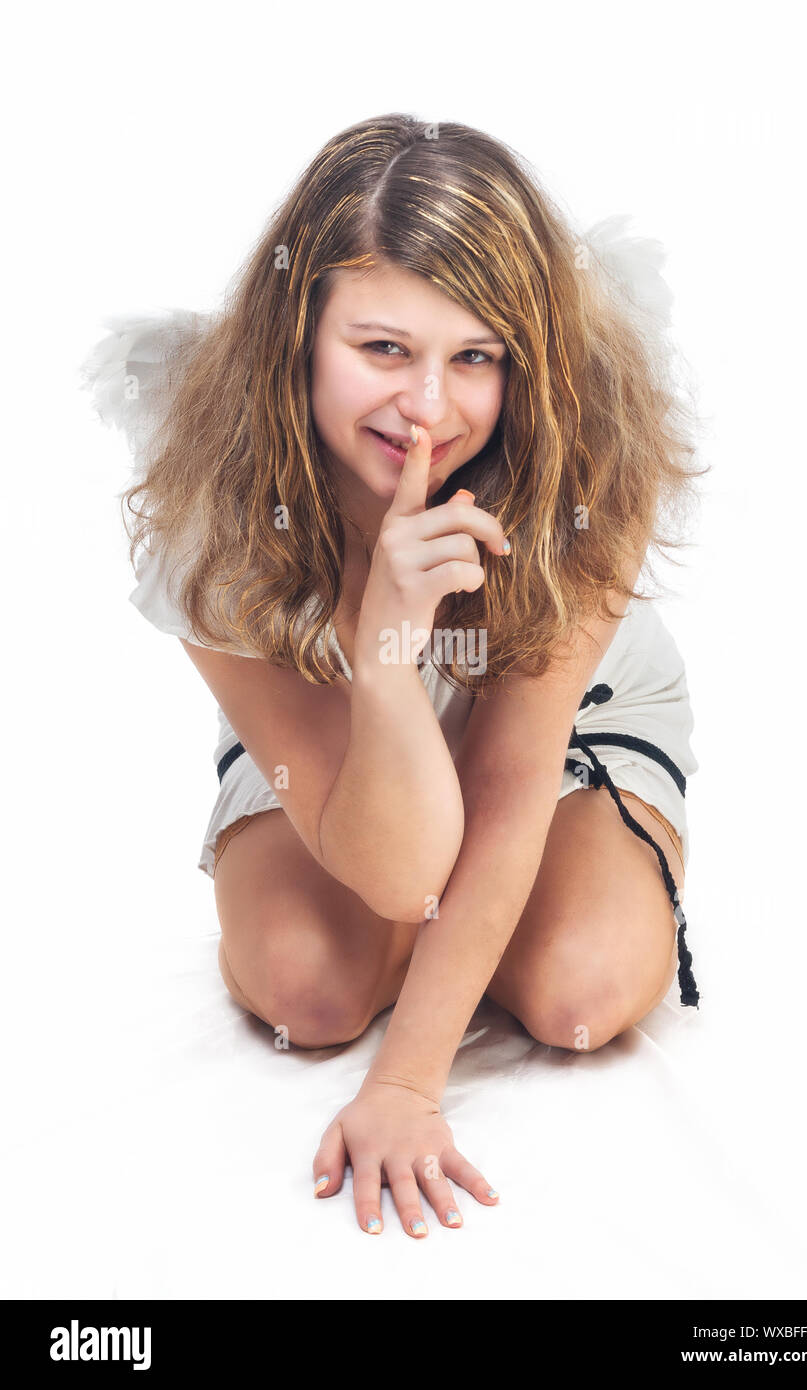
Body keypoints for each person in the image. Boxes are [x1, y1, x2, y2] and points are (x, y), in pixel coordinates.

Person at [82, 113, 706, 1241]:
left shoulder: (585, 441)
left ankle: (498, 917)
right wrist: (382, 648)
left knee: (577, 996)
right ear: (299, 335)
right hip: (332, 721)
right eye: (381, 349)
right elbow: (398, 868)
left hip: (564, 737)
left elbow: (511, 786)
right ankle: (442, 917)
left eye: (475, 357)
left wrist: (408, 1081)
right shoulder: (209, 502)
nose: (429, 409)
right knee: (307, 993)